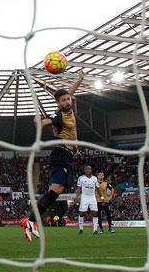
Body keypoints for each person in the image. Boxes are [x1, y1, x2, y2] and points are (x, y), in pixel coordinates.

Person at [21, 70, 85, 243]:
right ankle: (30, 221)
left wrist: (79, 79)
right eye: (63, 100)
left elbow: (68, 92)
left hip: (67, 155)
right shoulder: (58, 116)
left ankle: (31, 221)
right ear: (58, 103)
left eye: (68, 99)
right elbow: (46, 122)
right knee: (56, 190)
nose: (67, 100)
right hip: (61, 153)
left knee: (56, 191)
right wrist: (39, 122)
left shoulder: (67, 106)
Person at [75, 166, 100, 235]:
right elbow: (78, 188)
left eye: (89, 169)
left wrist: (102, 197)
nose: (88, 170)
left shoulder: (95, 178)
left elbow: (97, 188)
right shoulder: (81, 178)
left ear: (91, 170)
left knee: (95, 213)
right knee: (82, 213)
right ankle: (81, 229)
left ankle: (95, 230)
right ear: (84, 170)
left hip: (92, 197)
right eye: (86, 169)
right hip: (84, 197)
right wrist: (77, 197)